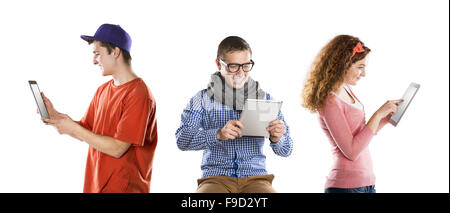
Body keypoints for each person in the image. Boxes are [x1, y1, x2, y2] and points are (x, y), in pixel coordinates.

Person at [41, 24, 158, 193]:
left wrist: (73, 128)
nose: (94, 61)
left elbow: (118, 148)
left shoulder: (139, 94)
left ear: (116, 52)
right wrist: (56, 117)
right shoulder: (102, 90)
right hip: (95, 186)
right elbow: (87, 131)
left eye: (97, 53)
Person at [176, 36, 293, 193]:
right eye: (233, 66)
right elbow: (182, 140)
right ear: (219, 64)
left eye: (245, 66)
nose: (240, 72)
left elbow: (286, 150)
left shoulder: (265, 99)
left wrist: (277, 137)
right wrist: (217, 134)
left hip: (256, 178)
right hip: (216, 178)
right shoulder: (202, 99)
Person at [301, 35, 403, 193]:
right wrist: (377, 114)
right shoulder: (330, 101)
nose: (363, 74)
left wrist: (384, 119)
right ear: (343, 65)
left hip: (366, 184)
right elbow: (351, 151)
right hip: (346, 187)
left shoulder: (346, 89)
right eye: (360, 67)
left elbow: (360, 135)